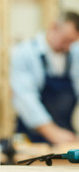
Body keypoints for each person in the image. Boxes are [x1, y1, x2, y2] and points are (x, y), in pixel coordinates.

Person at [10, 11, 79, 144]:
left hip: (66, 133)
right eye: (66, 40)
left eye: (73, 42)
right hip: (32, 137)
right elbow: (25, 98)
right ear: (54, 27)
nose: (68, 46)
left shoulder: (74, 53)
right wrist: (52, 132)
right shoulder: (24, 53)